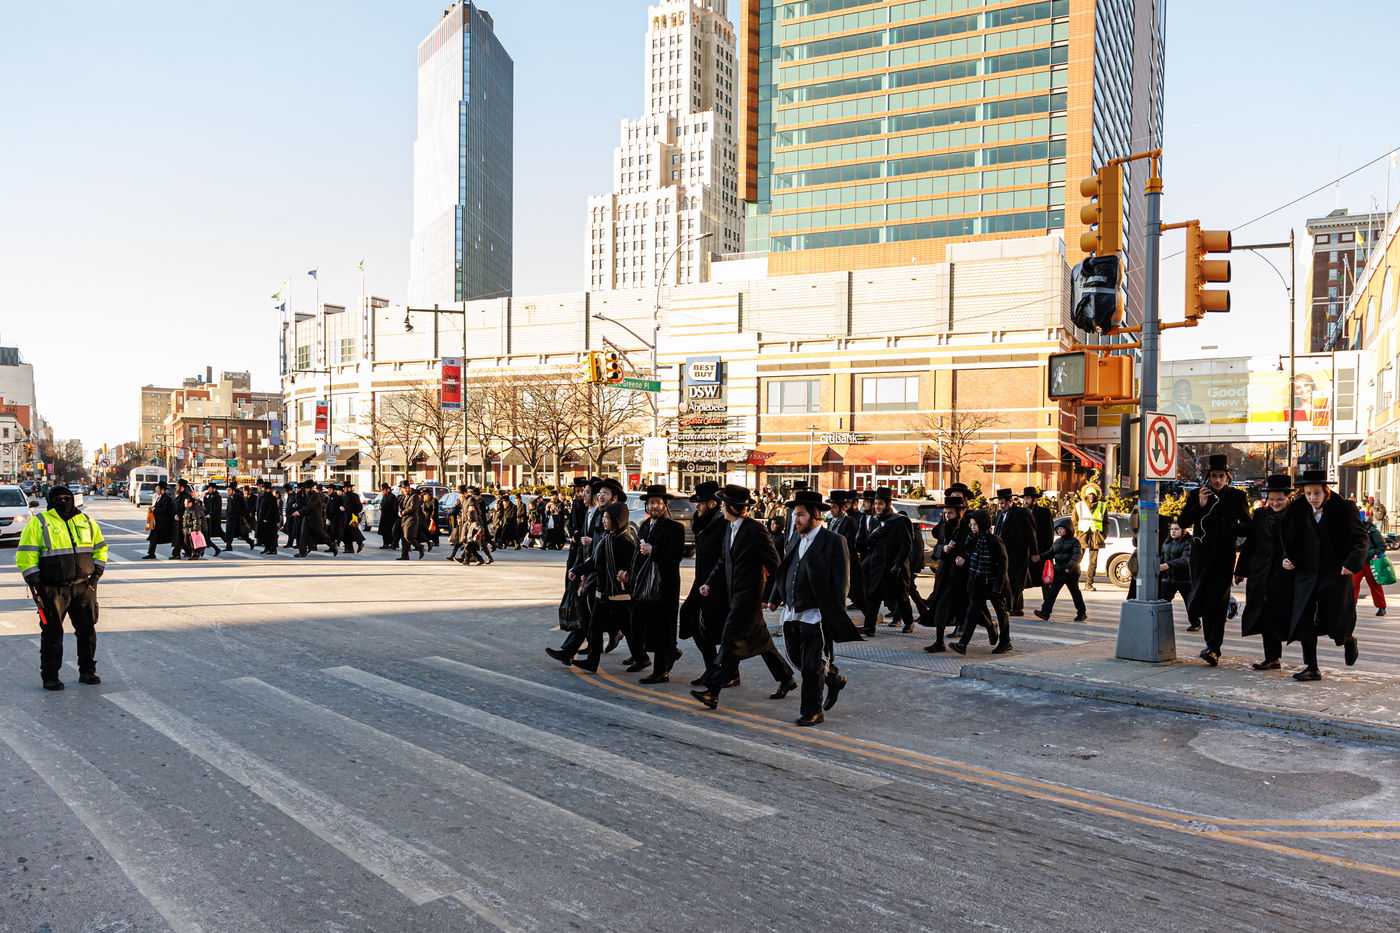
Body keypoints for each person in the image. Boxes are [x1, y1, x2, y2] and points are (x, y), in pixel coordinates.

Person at [690, 484, 797, 710]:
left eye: (723, 504)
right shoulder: (729, 527)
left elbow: (774, 564)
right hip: (733, 593)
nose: (720, 508)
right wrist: (709, 582)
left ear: (731, 507)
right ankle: (786, 678)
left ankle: (712, 690)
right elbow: (723, 560)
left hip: (748, 597)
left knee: (729, 640)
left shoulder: (754, 530)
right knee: (762, 641)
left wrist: (775, 596)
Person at [763, 489, 860, 726]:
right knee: (796, 657)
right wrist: (775, 597)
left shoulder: (835, 542)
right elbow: (786, 569)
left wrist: (833, 616)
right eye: (795, 515)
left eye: (800, 515)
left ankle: (812, 711)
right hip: (793, 610)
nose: (795, 520)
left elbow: (841, 583)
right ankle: (834, 678)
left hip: (816, 615)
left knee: (811, 666)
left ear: (816, 515)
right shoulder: (796, 537)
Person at [17, 485, 109, 690]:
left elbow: (100, 547)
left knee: (87, 631)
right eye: (58, 498)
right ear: (51, 501)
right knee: (53, 633)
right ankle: (50, 676)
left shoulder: (86, 521)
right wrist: (37, 583)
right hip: (52, 589)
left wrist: (96, 573)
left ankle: (87, 671)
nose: (63, 501)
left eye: (67, 498)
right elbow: (25, 555)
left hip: (84, 586)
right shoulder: (39, 523)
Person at [1281, 470, 1366, 681]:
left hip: (1335, 572)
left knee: (1335, 617)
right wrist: (1287, 557)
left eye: (1317, 493)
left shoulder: (1345, 508)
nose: (1312, 498)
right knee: (1303, 619)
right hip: (1306, 573)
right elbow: (1288, 537)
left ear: (1326, 491)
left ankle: (1348, 638)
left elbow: (1360, 538)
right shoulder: (1297, 509)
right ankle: (1312, 667)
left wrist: (1351, 563)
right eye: (1308, 493)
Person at [1177, 454, 1253, 666]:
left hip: (1223, 555)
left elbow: (1249, 525)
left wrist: (1231, 529)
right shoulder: (1196, 495)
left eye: (1221, 476)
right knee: (1198, 598)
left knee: (1217, 603)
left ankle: (1213, 648)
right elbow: (1182, 521)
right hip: (1200, 555)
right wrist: (1200, 504)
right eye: (1214, 476)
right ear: (1208, 477)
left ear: (1227, 477)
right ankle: (1208, 638)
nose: (1217, 480)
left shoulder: (1237, 496)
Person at [1234, 473, 1296, 671]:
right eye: (1271, 499)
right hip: (1261, 573)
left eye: (1280, 499)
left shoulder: (1297, 515)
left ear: (1289, 498)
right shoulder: (1260, 515)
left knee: (1288, 615)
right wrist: (1241, 570)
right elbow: (1251, 543)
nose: (1275, 503)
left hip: (1286, 573)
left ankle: (1311, 662)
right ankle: (1272, 658)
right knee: (1264, 616)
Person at [567, 501, 635, 674]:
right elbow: (594, 563)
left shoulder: (625, 542)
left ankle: (641, 657)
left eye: (607, 518)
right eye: (603, 517)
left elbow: (633, 565)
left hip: (619, 595)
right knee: (595, 627)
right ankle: (592, 661)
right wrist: (576, 570)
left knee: (628, 628)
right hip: (603, 593)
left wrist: (626, 574)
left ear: (617, 520)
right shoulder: (606, 538)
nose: (603, 521)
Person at [627, 484, 685, 682]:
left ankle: (661, 671)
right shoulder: (644, 526)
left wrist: (654, 550)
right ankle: (670, 651)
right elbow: (637, 554)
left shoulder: (675, 528)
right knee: (646, 624)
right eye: (651, 503)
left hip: (665, 585)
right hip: (645, 585)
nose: (654, 507)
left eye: (658, 503)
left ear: (665, 505)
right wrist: (629, 574)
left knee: (663, 626)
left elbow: (675, 557)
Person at [677, 481, 725, 684]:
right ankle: (714, 667)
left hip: (717, 583)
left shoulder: (723, 523)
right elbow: (697, 529)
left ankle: (721, 670)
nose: (696, 507)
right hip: (702, 580)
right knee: (690, 616)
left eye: (700, 503)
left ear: (712, 504)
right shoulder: (703, 520)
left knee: (723, 630)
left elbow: (724, 557)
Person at [951, 509, 1012, 654]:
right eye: (971, 525)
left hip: (993, 583)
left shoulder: (994, 540)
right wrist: (962, 560)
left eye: (975, 525)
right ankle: (963, 644)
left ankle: (1005, 642)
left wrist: (998, 586)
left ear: (983, 524)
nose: (972, 527)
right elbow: (968, 556)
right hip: (977, 583)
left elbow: (1003, 564)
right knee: (972, 613)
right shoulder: (971, 539)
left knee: (1001, 613)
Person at [859, 488, 913, 635]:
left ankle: (909, 621)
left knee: (901, 597)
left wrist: (898, 564)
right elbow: (868, 544)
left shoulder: (901, 521)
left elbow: (906, 546)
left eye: (880, 504)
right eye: (876, 503)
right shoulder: (875, 520)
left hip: (896, 568)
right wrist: (873, 535)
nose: (877, 507)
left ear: (888, 504)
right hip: (877, 565)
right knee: (873, 597)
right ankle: (869, 626)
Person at [992, 488, 1037, 616]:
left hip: (1018, 553)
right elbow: (997, 532)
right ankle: (1010, 606)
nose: (1000, 506)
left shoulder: (1022, 512)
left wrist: (1035, 552)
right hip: (1003, 553)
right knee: (1006, 580)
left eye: (1002, 503)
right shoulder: (1000, 514)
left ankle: (1017, 608)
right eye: (999, 504)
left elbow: (1031, 534)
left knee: (1016, 581)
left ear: (1010, 501)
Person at [1033, 523, 1086, 622]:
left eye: (1061, 528)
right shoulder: (1057, 541)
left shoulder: (1075, 542)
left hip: (1071, 573)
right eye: (1058, 529)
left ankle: (1082, 613)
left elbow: (1077, 556)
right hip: (1059, 572)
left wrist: (1070, 567)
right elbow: (1051, 553)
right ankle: (1045, 613)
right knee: (1052, 593)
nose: (1059, 531)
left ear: (1068, 529)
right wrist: (1039, 557)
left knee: (1075, 593)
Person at [824, 490, 866, 612]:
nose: (832, 510)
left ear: (842, 508)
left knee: (858, 594)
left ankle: (870, 621)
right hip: (833, 561)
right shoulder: (831, 521)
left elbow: (847, 542)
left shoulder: (849, 521)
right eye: (831, 507)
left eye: (834, 507)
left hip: (848, 562)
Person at [1155, 521, 1196, 628]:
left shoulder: (1188, 542)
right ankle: (1159, 623)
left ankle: (1195, 623)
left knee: (1190, 603)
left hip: (1184, 580)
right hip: (1168, 579)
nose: (1173, 531)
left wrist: (1169, 564)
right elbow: (1162, 557)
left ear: (1183, 530)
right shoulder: (1167, 542)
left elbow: (1186, 559)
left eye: (1176, 529)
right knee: (1163, 602)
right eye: (1172, 529)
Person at [1022, 486, 1055, 604]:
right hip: (1026, 553)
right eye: (1024, 499)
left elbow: (1049, 534)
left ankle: (1047, 606)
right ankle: (1016, 607)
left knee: (1045, 580)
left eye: (1028, 499)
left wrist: (1045, 555)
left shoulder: (1044, 513)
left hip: (1041, 552)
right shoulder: (1021, 513)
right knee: (1019, 580)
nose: (1025, 501)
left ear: (1034, 500)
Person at [1073, 483, 1108, 590]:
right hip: (1082, 535)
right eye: (1089, 494)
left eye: (1093, 494)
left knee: (1093, 562)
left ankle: (1089, 583)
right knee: (1077, 559)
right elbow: (1074, 521)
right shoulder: (1079, 505)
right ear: (1086, 495)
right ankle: (1074, 581)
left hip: (1095, 536)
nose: (1091, 496)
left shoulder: (1102, 506)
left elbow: (1106, 522)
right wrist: (1076, 534)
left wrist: (1103, 535)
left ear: (1097, 495)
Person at [1354, 511, 1389, 617]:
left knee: (1375, 585)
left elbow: (1382, 546)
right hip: (1357, 563)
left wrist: (1367, 553)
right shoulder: (1352, 531)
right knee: (1352, 585)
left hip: (1371, 563)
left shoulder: (1373, 531)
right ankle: (1351, 607)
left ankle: (1381, 607)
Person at [295, 480, 338, 558]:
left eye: (307, 488)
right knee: (303, 535)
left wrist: (299, 512)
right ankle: (302, 552)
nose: (306, 490)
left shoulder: (315, 495)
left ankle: (332, 545)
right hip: (307, 518)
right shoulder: (307, 495)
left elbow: (310, 506)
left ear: (311, 488)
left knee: (321, 535)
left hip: (315, 520)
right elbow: (304, 504)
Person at [144, 481, 176, 559]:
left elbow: (165, 510)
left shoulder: (167, 498)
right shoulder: (159, 497)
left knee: (173, 538)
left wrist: (154, 509)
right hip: (157, 522)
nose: (156, 490)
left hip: (164, 523)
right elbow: (157, 507)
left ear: (162, 489)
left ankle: (186, 550)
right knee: (153, 538)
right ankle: (151, 553)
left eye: (157, 488)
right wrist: (152, 508)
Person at [398, 486, 428, 560]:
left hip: (411, 519)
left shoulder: (414, 496)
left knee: (408, 536)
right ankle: (404, 555)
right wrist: (399, 511)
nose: (406, 489)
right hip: (403, 519)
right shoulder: (402, 497)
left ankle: (420, 547)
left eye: (407, 488)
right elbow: (400, 505)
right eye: (404, 488)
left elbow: (413, 507)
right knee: (403, 538)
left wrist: (403, 512)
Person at [180, 491, 212, 559]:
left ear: (190, 503)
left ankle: (196, 554)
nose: (184, 503)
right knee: (187, 542)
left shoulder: (194, 510)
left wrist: (196, 529)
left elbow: (196, 520)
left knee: (193, 542)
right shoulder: (187, 510)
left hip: (192, 529)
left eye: (185, 502)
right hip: (187, 529)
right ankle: (198, 551)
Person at [256, 482, 281, 554]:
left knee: (271, 535)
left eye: (264, 488)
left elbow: (271, 509)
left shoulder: (272, 498)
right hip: (263, 518)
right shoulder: (263, 496)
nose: (263, 489)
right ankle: (267, 547)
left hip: (270, 519)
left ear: (268, 489)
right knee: (264, 534)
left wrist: (266, 518)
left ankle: (273, 549)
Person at [203, 483, 225, 555]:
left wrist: (211, 514)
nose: (209, 489)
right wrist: (205, 498)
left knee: (219, 531)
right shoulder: (210, 495)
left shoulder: (217, 496)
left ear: (214, 488)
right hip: (209, 516)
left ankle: (228, 542)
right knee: (208, 530)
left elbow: (216, 507)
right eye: (208, 488)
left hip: (215, 517)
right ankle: (208, 543)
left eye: (210, 488)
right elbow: (207, 505)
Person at [377, 483, 400, 549]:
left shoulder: (392, 497)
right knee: (383, 532)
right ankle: (385, 544)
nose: (382, 492)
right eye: (382, 490)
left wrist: (384, 508)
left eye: (383, 490)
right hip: (384, 517)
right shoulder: (384, 497)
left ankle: (392, 543)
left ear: (388, 490)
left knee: (389, 531)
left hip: (390, 517)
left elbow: (393, 508)